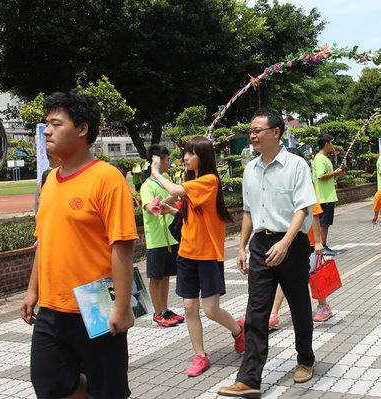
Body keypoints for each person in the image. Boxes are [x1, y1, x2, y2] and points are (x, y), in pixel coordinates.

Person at [20, 89, 138, 399]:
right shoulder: (49, 180)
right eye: (47, 123)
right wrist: (32, 290)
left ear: (82, 129)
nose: (47, 130)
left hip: (96, 300)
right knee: (50, 383)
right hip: (51, 303)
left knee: (107, 389)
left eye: (56, 124)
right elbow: (43, 240)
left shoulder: (107, 178)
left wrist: (123, 308)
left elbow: (122, 246)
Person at [218, 109, 317, 398]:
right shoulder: (250, 169)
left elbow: (303, 209)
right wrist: (241, 246)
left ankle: (305, 359)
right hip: (261, 245)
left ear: (276, 132)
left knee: (299, 305)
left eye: (258, 130)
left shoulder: (297, 165)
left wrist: (285, 243)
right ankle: (249, 379)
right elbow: (249, 212)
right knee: (256, 311)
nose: (252, 135)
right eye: (251, 130)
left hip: (292, 244)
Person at [150, 136, 244, 377]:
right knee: (189, 307)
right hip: (186, 254)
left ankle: (238, 330)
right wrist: (171, 209)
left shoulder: (209, 181)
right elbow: (190, 211)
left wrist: (155, 171)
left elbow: (173, 189)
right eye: (185, 153)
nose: (185, 157)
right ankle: (200, 355)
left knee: (211, 310)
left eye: (191, 153)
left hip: (208, 255)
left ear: (203, 156)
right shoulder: (195, 183)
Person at [269, 147, 330, 329]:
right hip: (289, 241)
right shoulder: (281, 186)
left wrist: (318, 242)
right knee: (285, 277)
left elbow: (316, 214)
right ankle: (273, 313)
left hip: (308, 240)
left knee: (314, 274)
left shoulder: (307, 185)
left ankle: (323, 306)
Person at [140, 144, 185, 328]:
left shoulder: (165, 180)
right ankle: (157, 314)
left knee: (166, 276)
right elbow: (151, 209)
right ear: (157, 161)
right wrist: (169, 199)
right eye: (167, 159)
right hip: (157, 240)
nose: (169, 163)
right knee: (156, 277)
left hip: (170, 238)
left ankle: (165, 310)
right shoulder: (147, 186)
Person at [312, 134, 343, 256]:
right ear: (326, 144)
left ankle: (323, 244)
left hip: (328, 196)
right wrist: (335, 173)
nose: (332, 145)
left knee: (326, 222)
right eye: (331, 142)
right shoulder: (320, 158)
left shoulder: (324, 158)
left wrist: (333, 179)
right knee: (323, 222)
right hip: (323, 197)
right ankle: (322, 245)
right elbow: (320, 176)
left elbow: (325, 176)